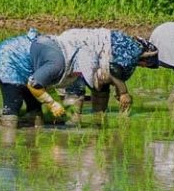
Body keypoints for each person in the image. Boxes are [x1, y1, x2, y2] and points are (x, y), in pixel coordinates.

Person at [19, 28, 158, 122]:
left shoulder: (120, 46)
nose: (144, 67)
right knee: (79, 86)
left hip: (71, 48)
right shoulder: (133, 50)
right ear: (145, 59)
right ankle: (92, 121)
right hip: (77, 53)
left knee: (80, 87)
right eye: (147, 64)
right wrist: (123, 92)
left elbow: (113, 70)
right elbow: (113, 69)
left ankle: (74, 121)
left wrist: (118, 89)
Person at [0, 28, 45, 128]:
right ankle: (9, 133)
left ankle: (33, 124)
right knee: (13, 104)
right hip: (7, 62)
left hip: (19, 62)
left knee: (34, 104)